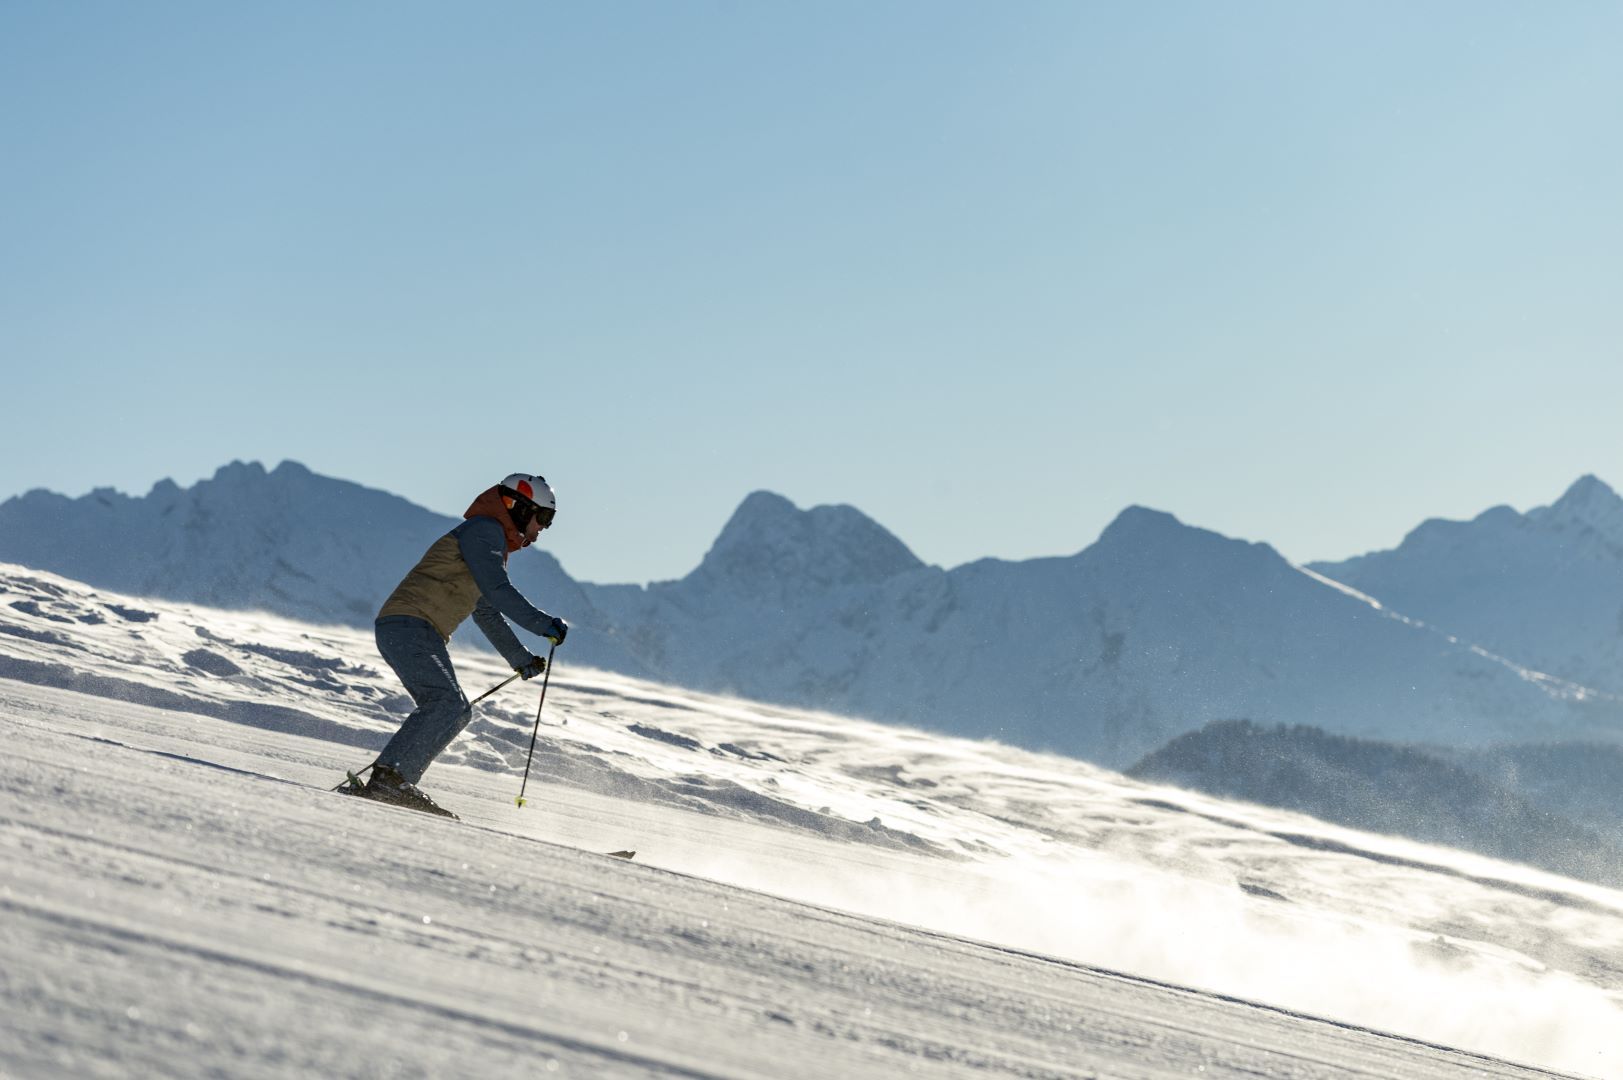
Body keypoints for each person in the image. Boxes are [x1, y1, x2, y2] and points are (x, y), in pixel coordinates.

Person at [345, 472, 569, 817]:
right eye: (543, 518)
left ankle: (393, 779)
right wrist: (544, 624)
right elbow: (497, 591)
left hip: (413, 629)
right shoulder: (484, 531)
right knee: (446, 703)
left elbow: (486, 611)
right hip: (410, 626)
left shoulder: (488, 541)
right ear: (519, 506)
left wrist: (520, 659)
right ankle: (391, 780)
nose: (543, 529)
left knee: (457, 709)